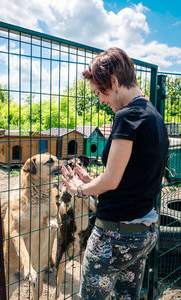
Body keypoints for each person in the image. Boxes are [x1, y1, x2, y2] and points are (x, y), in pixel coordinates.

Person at [61, 47, 168, 300]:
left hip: (114, 237)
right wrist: (93, 181)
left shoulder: (127, 116)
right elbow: (132, 175)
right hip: (144, 231)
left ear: (115, 82)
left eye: (101, 92)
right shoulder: (153, 115)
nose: (100, 99)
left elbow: (111, 180)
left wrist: (78, 188)